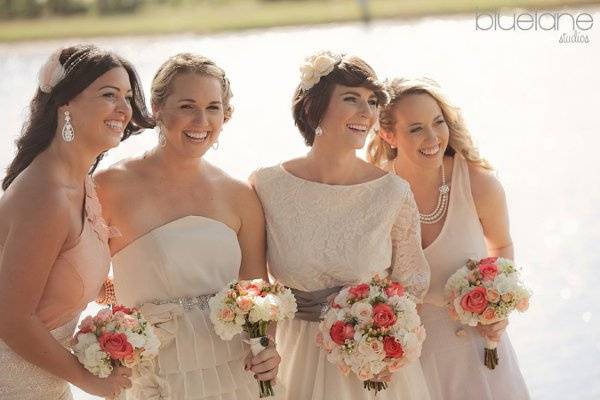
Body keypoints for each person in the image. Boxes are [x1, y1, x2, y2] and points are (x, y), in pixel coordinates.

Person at [94, 53, 280, 399]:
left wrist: (268, 347)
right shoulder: (108, 187)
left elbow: (259, 291)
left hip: (236, 373)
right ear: (157, 107)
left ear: (226, 114)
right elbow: (74, 277)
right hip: (155, 374)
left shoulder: (239, 195)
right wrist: (120, 308)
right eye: (187, 106)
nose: (201, 120)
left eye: (213, 107)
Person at [251, 51, 431, 400]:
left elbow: (410, 286)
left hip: (370, 369)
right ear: (312, 108)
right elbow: (256, 286)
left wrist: (387, 344)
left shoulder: (392, 192)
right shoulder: (267, 186)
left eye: (373, 102)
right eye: (351, 99)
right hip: (294, 357)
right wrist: (263, 345)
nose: (367, 113)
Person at [0, 44, 154, 399]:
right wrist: (92, 381)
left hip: (45, 383)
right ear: (65, 105)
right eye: (108, 94)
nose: (124, 109)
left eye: (127, 96)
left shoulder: (78, 181)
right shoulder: (46, 196)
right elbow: (12, 320)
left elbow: (56, 271)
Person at [367, 77, 530, 399]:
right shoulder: (374, 192)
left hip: (478, 349)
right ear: (388, 135)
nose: (432, 138)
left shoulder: (477, 183)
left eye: (438, 122)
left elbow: (501, 245)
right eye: (416, 129)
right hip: (408, 357)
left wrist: (498, 306)